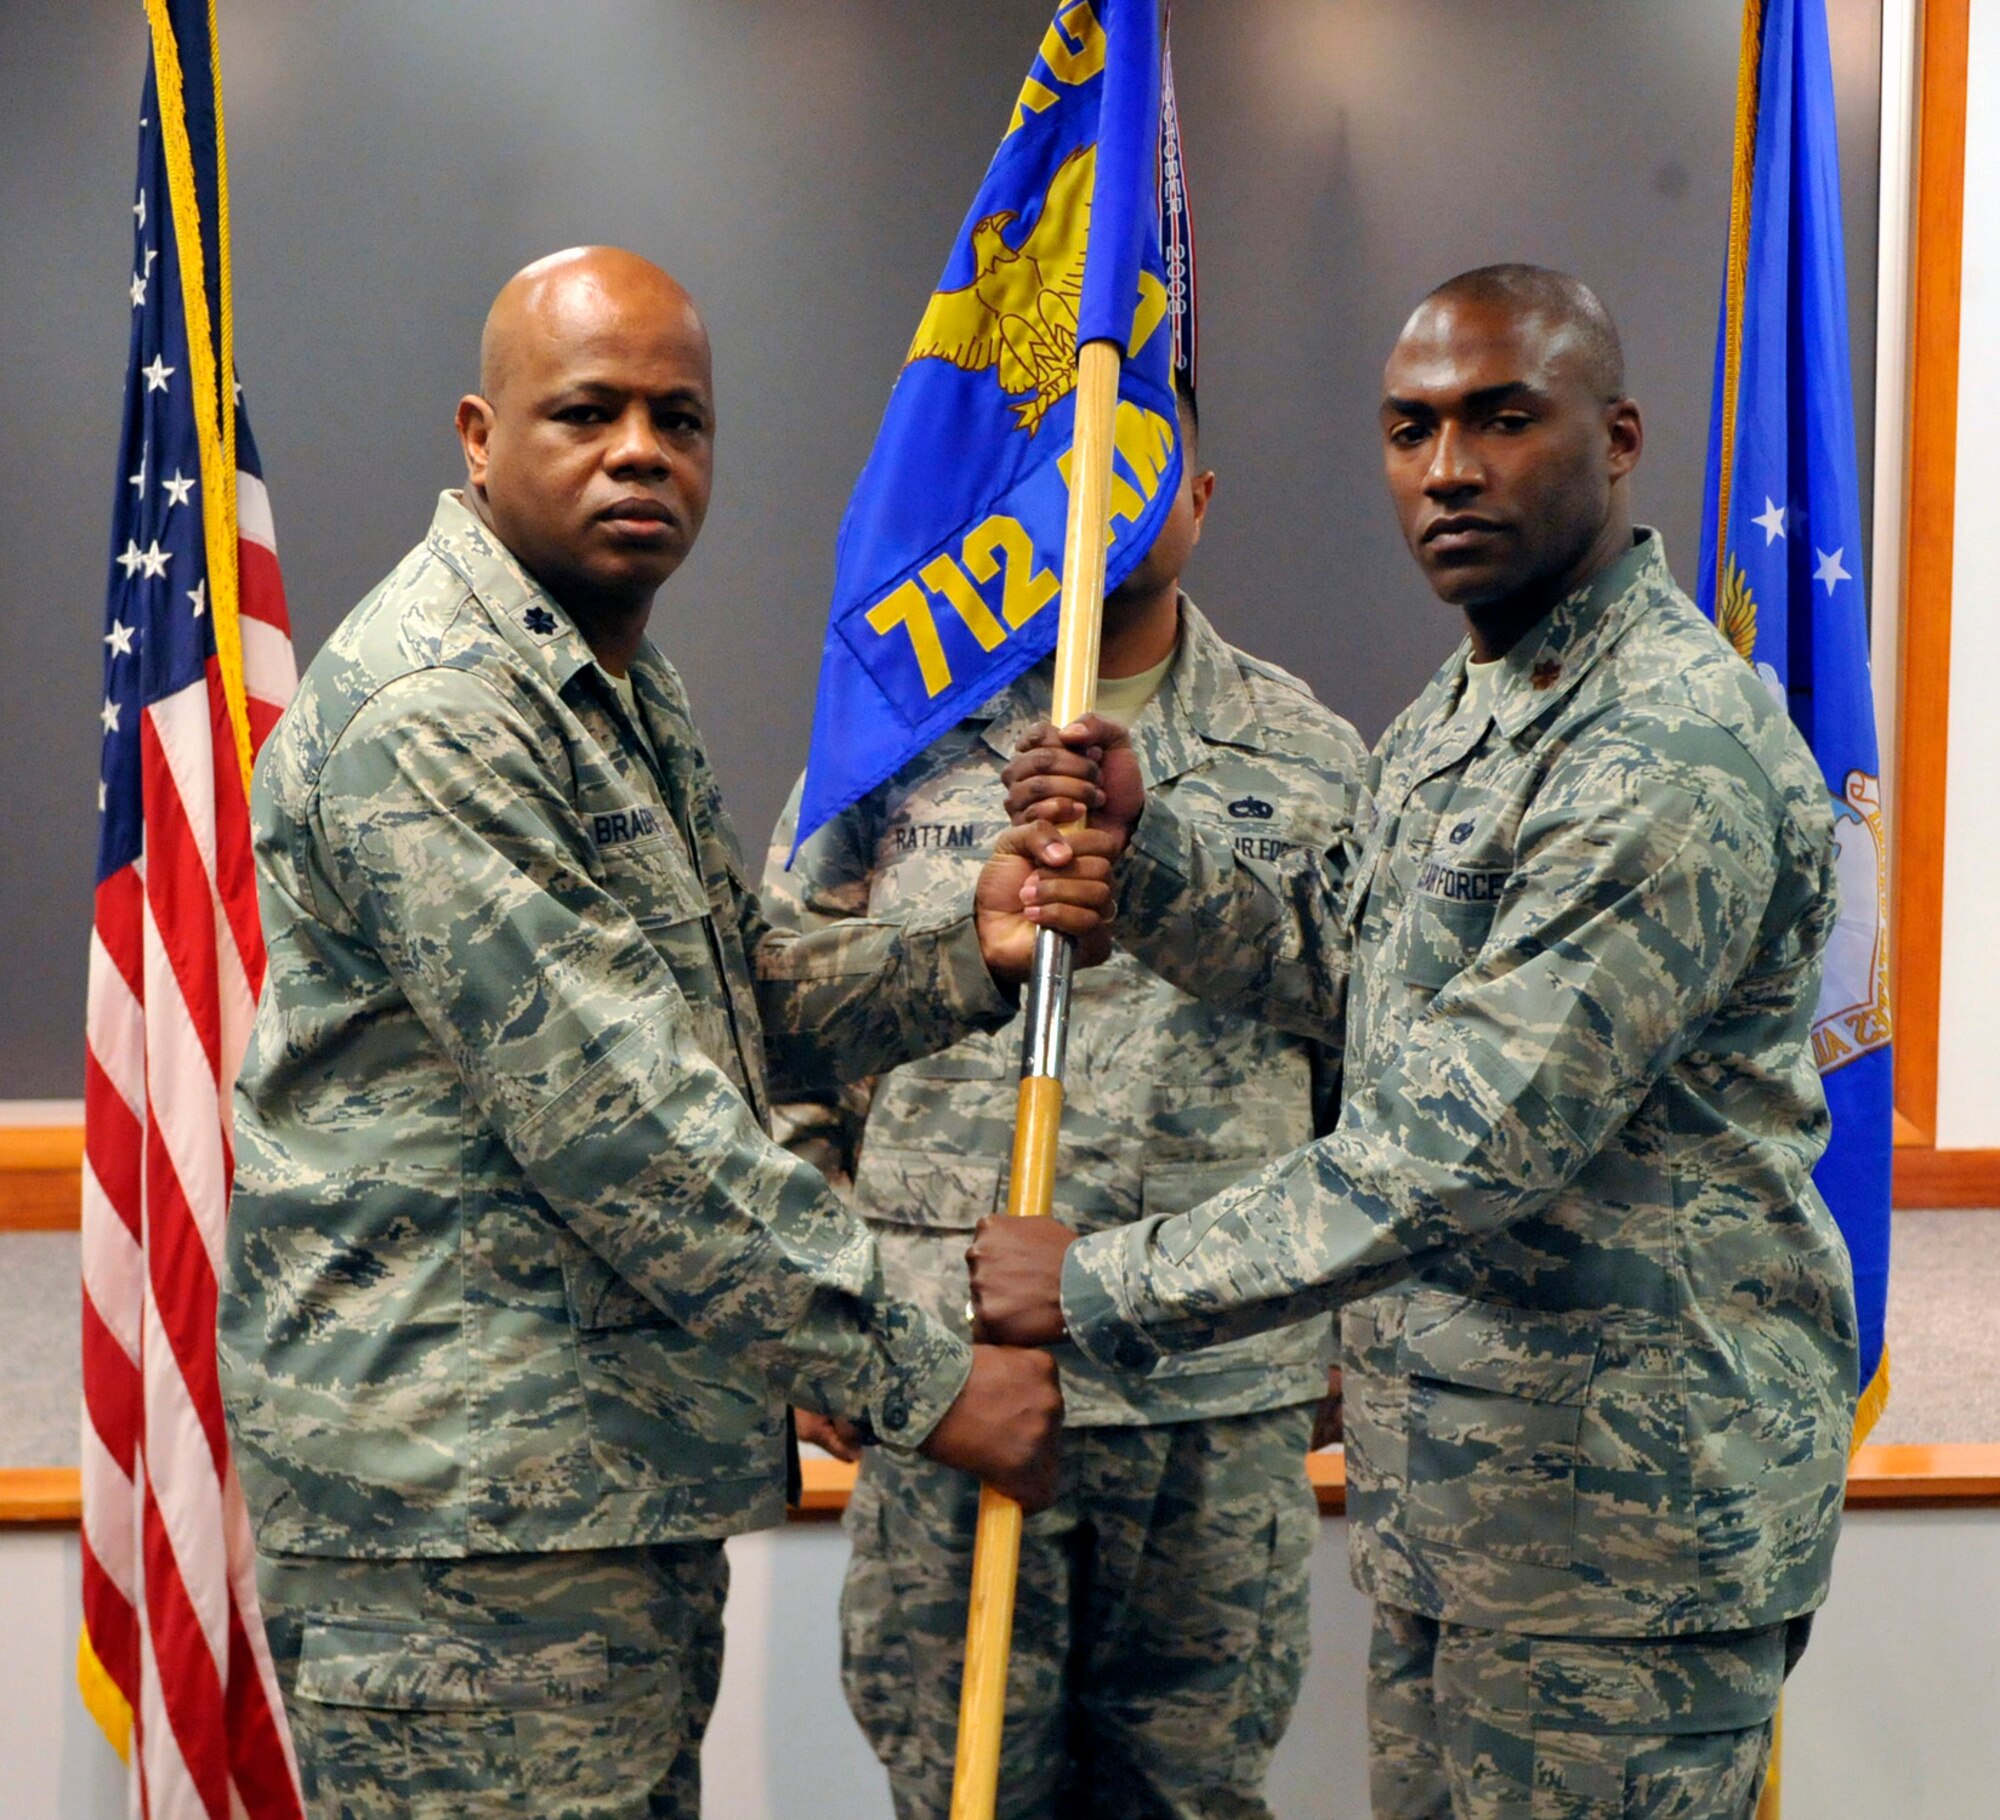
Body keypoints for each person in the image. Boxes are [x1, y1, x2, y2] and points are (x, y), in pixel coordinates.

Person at [219, 245, 1122, 1819]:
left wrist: (958, 956)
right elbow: (628, 1120)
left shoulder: (609, 685)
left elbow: (725, 1001)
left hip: (580, 1505)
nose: (642, 449)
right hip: (468, 1535)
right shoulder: (437, 707)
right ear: (479, 436)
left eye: (679, 416)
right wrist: (921, 1376)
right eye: (587, 411)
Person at [974, 265, 1857, 1820]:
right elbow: (1352, 958)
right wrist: (1153, 859)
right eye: (1411, 428)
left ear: (1619, 435)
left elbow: (1463, 1145)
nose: (1447, 469)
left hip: (1622, 1549)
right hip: (1464, 1518)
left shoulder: (1662, 745)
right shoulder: (1473, 702)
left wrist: (1103, 1281)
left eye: (1502, 419)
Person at [761, 379, 1369, 1819]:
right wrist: (835, 1326)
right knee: (960, 1791)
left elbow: (1374, 1065)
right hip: (953, 1391)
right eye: (1071, 467)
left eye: (1144, 465)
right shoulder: (898, 739)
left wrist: (1354, 1331)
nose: (1103, 496)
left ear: (1202, 504)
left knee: (1195, 1798)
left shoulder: (1313, 757)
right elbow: (780, 1031)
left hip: (1214, 1405)